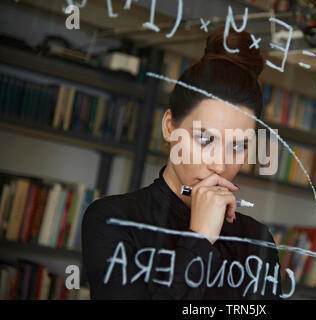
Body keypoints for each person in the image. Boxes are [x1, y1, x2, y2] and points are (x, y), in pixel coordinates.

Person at [82, 26, 283, 300]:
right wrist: (199, 239)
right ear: (169, 127)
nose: (220, 165)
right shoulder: (114, 220)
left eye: (237, 146)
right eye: (205, 139)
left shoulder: (257, 241)